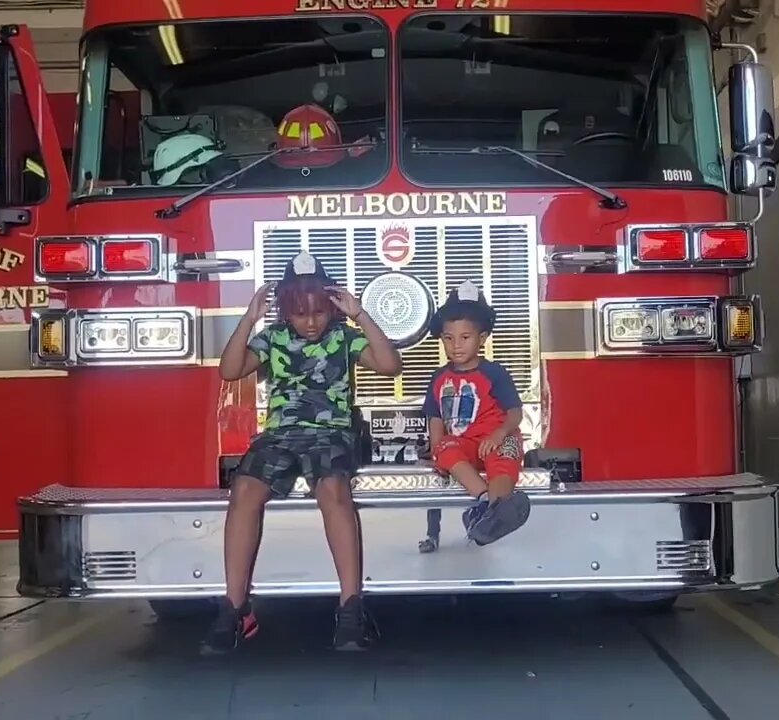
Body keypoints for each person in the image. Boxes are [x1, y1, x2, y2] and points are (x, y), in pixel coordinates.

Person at [201, 252, 402, 654]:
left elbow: (390, 364)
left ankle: (351, 610)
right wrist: (249, 318)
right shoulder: (272, 339)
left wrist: (359, 313)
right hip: (280, 435)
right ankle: (236, 608)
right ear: (285, 311)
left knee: (333, 490)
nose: (310, 322)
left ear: (331, 306)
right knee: (244, 492)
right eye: (299, 313)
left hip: (331, 432)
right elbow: (229, 370)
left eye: (318, 312)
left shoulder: (344, 337)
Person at [419, 280, 531, 548]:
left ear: (481, 338)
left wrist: (500, 432)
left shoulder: (494, 372)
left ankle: (498, 506)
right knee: (445, 446)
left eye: (465, 337)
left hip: (496, 437)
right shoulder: (438, 377)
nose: (456, 345)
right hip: (464, 444)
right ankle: (484, 505)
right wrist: (437, 451)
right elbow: (435, 418)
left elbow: (515, 412)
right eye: (448, 338)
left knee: (504, 455)